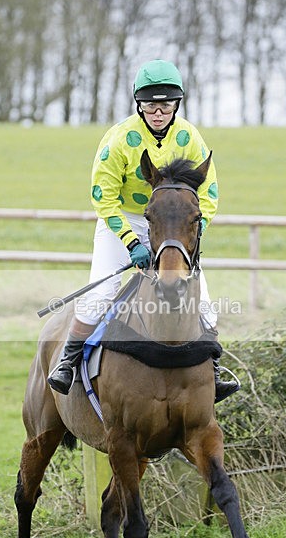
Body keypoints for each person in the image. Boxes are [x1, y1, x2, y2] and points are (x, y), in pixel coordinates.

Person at [48, 59, 238, 403]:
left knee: (205, 301)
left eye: (165, 105)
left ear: (176, 104)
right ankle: (68, 363)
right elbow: (102, 196)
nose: (158, 112)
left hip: (173, 225)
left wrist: (192, 234)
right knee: (101, 294)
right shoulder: (119, 139)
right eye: (150, 105)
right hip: (122, 218)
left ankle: (214, 371)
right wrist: (132, 242)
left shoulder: (190, 137)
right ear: (140, 105)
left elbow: (207, 192)